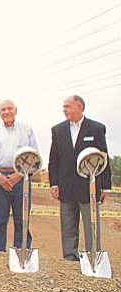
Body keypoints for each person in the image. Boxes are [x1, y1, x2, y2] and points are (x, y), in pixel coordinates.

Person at [48, 95, 111, 261]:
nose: (64, 110)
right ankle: (70, 255)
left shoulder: (96, 128)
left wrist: (105, 186)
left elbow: (104, 158)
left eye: (67, 106)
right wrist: (54, 183)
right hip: (66, 186)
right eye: (63, 107)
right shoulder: (58, 130)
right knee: (68, 223)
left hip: (89, 186)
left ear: (79, 107)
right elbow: (54, 159)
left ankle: (93, 255)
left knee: (91, 223)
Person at [0, 99, 39, 252]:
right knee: (0, 220)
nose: (6, 112)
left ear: (16, 110)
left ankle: (22, 251)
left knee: (22, 219)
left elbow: (35, 156)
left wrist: (20, 174)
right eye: (3, 110)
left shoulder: (26, 129)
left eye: (9, 109)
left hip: (21, 180)